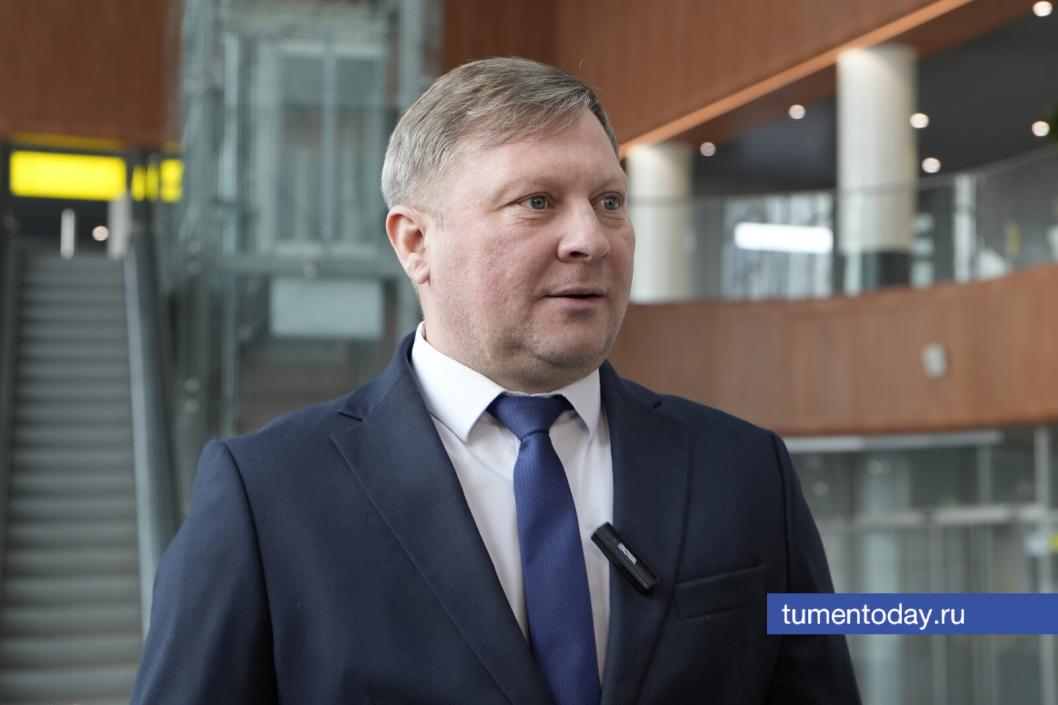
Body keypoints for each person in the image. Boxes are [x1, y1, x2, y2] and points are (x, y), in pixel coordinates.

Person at [131, 57, 860, 705]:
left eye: (610, 201)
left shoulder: (745, 469)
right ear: (415, 242)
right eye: (536, 202)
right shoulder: (267, 496)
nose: (590, 238)